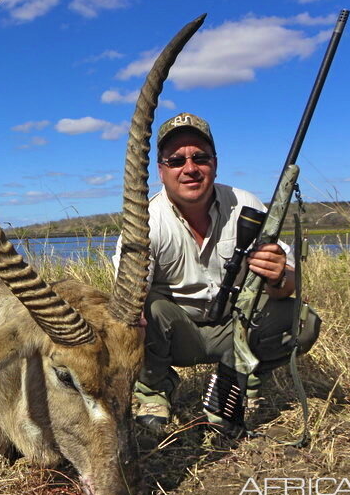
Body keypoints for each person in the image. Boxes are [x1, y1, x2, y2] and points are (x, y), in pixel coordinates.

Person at [112, 112, 320, 433]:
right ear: (161, 170)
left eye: (200, 157)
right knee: (146, 308)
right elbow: (128, 308)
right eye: (176, 160)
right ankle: (153, 390)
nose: (190, 168)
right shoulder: (145, 223)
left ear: (215, 163)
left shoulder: (246, 204)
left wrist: (279, 275)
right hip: (176, 336)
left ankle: (233, 378)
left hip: (233, 329)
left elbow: (287, 287)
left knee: (303, 322)